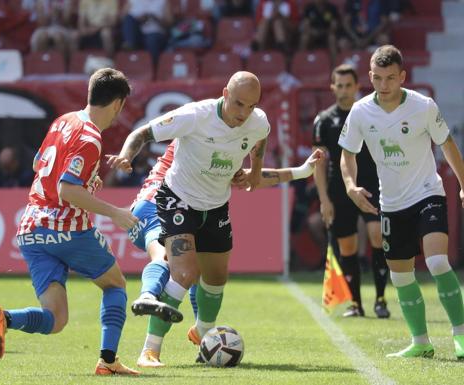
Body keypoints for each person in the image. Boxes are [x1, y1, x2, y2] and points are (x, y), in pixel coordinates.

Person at [107, 71, 318, 364]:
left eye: (251, 106)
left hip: (216, 207)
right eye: (239, 104)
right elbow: (142, 133)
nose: (244, 113)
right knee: (183, 272)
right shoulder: (195, 116)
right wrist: (126, 156)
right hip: (176, 200)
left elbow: (262, 136)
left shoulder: (258, 122)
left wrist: (256, 168)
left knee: (216, 278)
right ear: (225, 93)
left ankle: (204, 339)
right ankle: (150, 349)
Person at [0, 68, 140, 375]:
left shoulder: (63, 121)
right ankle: (108, 361)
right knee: (115, 285)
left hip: (31, 228)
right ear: (118, 103)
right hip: (67, 229)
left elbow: (37, 162)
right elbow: (67, 190)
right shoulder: (91, 138)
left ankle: (6, 318)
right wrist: (116, 213)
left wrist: (81, 182)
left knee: (55, 319)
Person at [127, 139, 324, 367]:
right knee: (170, 260)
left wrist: (301, 171)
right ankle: (149, 330)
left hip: (193, 208)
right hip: (155, 204)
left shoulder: (224, 144)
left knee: (206, 273)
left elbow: (248, 178)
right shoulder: (201, 133)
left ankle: (203, 332)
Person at [339, 45, 464, 358]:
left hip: (427, 192)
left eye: (391, 78)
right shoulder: (360, 111)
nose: (384, 85)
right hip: (392, 203)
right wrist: (350, 185)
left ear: (403, 77)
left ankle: (461, 334)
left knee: (437, 262)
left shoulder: (423, 106)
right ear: (370, 77)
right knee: (401, 275)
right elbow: (348, 154)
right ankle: (421, 342)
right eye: (378, 78)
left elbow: (447, 145)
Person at [312, 63, 390, 318]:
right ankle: (356, 304)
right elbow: (319, 163)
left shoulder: (372, 113)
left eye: (349, 85)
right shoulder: (323, 121)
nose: (344, 90)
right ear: (332, 87)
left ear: (358, 86)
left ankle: (381, 299)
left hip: (372, 184)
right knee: (347, 247)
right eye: (339, 85)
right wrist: (324, 199)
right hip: (338, 188)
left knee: (377, 233)